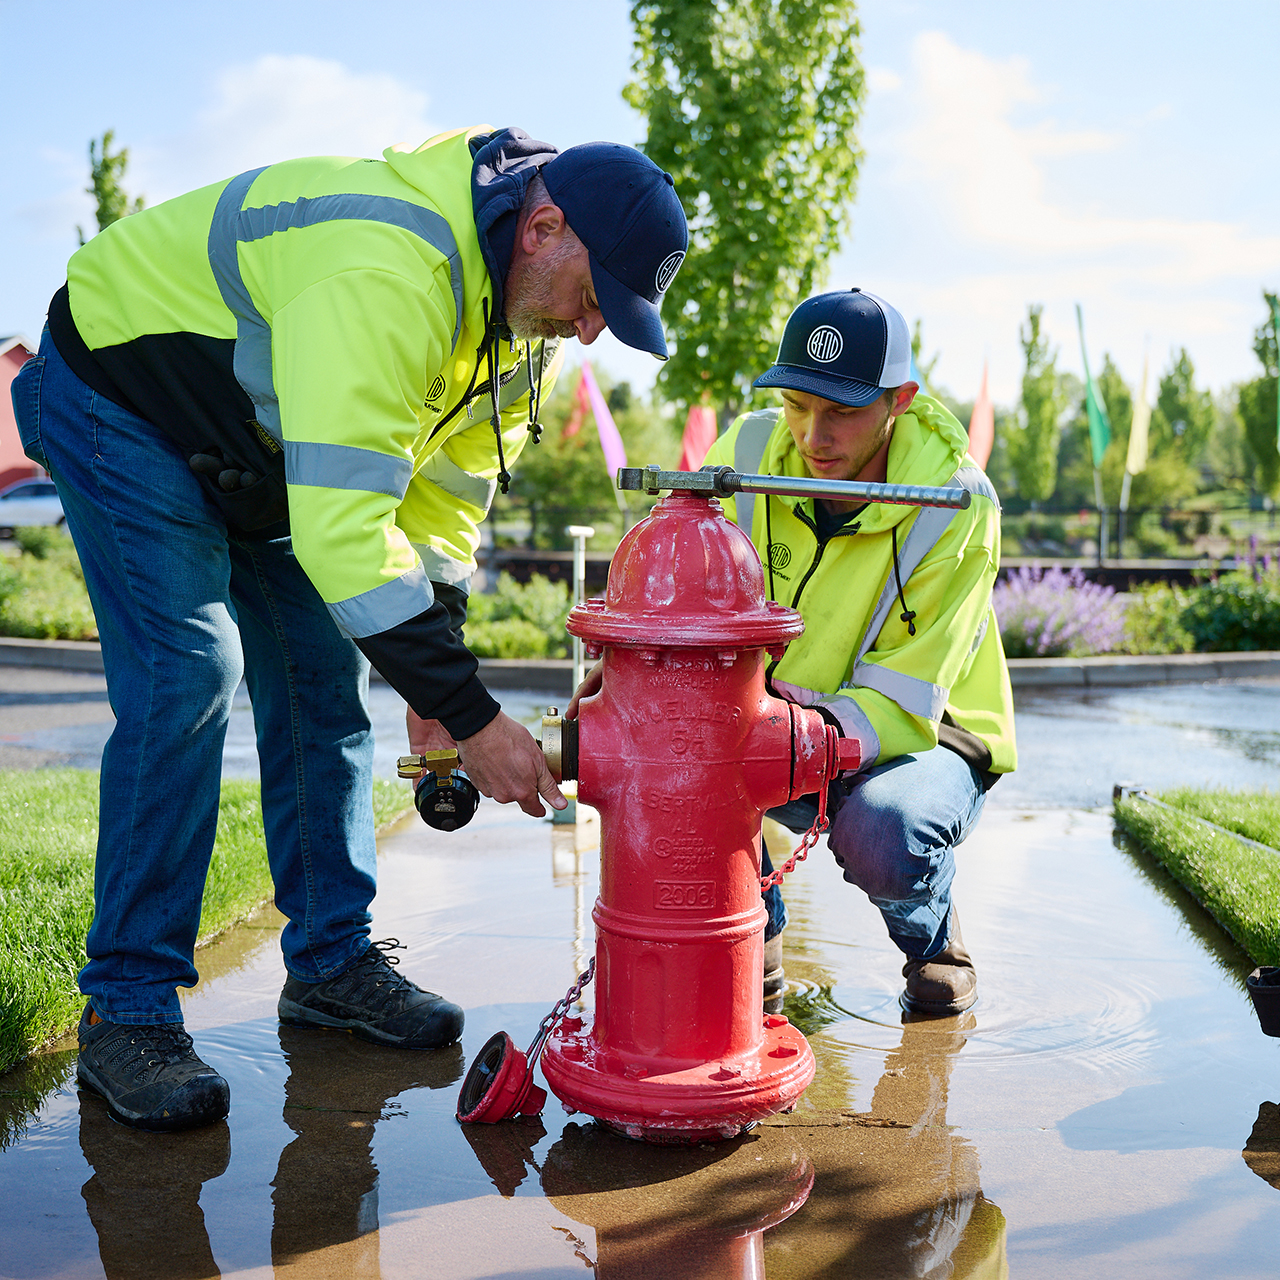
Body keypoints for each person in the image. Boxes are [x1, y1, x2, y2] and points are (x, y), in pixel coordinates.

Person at [11, 125, 687, 1131]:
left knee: (326, 678)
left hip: (256, 433)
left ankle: (329, 959)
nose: (591, 332)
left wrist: (431, 681)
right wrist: (472, 715)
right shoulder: (389, 268)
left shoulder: (514, 331)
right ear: (543, 229)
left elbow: (443, 506)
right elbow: (343, 537)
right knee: (190, 670)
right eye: (596, 300)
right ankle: (129, 1006)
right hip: (123, 396)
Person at [571, 288, 1015, 1017]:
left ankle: (933, 941)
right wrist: (625, 687)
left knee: (884, 830)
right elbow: (683, 581)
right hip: (773, 720)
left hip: (921, 732)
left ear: (899, 399)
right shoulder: (745, 453)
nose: (814, 434)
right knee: (679, 748)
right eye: (799, 404)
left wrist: (784, 736)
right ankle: (755, 932)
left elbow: (911, 692)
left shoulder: (957, 504)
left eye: (843, 411)